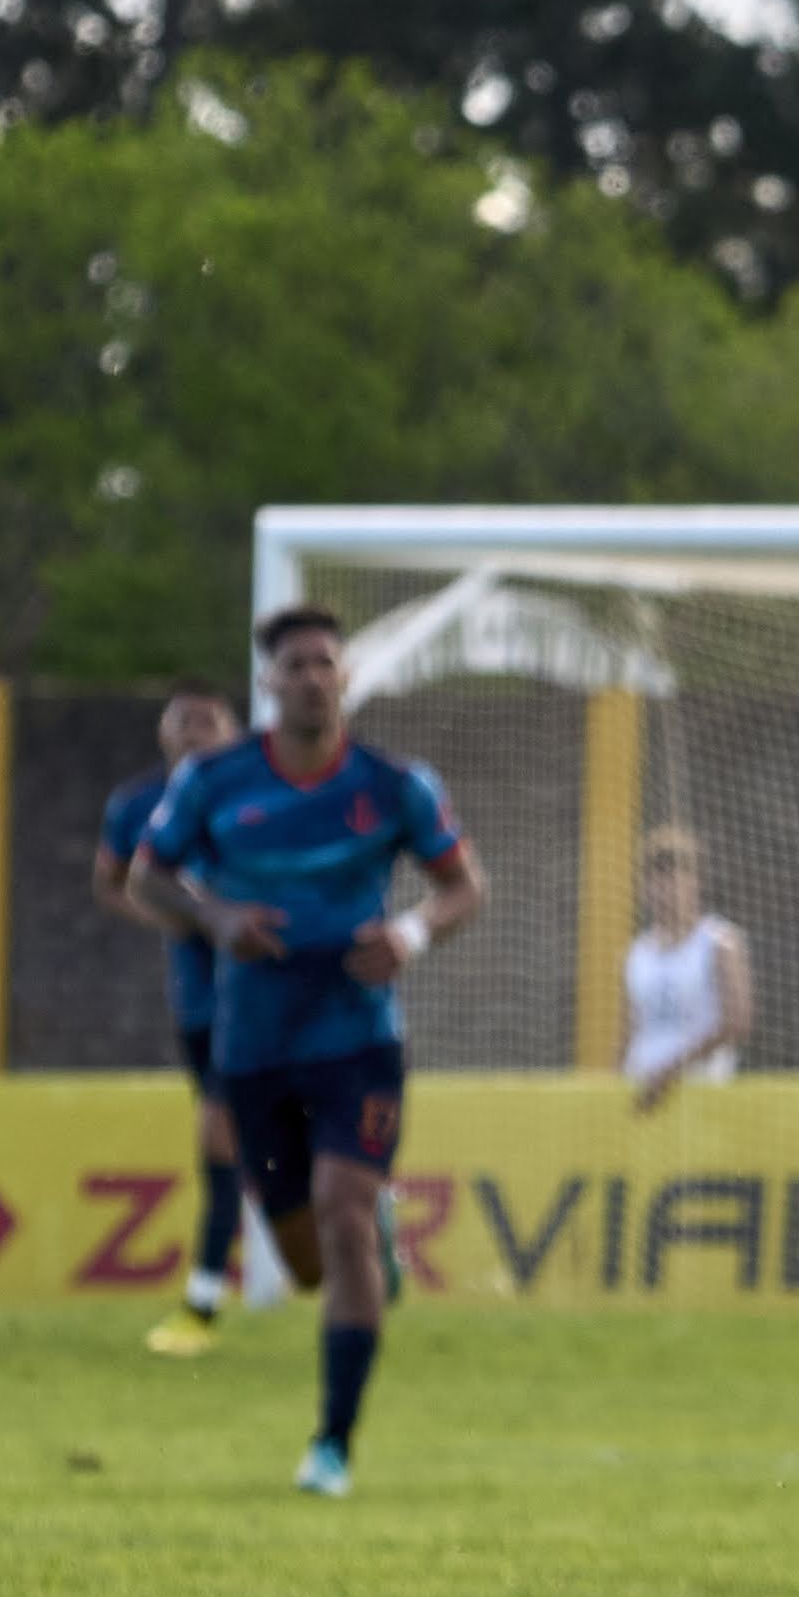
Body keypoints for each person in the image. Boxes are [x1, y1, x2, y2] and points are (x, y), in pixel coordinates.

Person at [131, 607, 484, 1497]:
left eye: (326, 662)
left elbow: (461, 886)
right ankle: (370, 1236)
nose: (313, 677)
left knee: (342, 1206)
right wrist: (215, 917)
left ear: (346, 678)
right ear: (268, 683)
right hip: (251, 1047)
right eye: (296, 665)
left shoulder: (393, 784)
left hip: (357, 1040)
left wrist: (408, 934)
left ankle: (331, 1444)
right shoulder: (216, 781)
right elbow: (146, 875)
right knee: (306, 1260)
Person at [94, 677, 251, 1355]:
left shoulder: (255, 798)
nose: (194, 731)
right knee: (247, 1142)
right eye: (183, 720)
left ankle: (202, 1301)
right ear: (162, 732)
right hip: (197, 999)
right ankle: (370, 1216)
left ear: (234, 734)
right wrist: (176, 916)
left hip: (263, 993)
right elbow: (111, 881)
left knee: (220, 1137)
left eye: (208, 721)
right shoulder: (136, 805)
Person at [620, 825, 755, 1113]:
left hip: (702, 1096)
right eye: (659, 877)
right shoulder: (637, 952)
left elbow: (737, 1021)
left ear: (696, 882)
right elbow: (629, 1031)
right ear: (645, 887)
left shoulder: (719, 942)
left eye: (678, 876)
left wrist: (670, 1072)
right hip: (642, 1095)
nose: (668, 888)